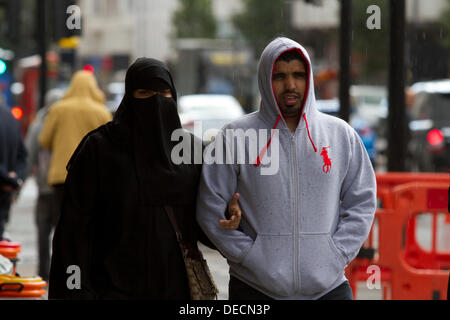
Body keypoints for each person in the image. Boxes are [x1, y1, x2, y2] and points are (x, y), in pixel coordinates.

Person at [196, 37, 377, 300]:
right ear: (265, 79)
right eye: (279, 76)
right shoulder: (234, 136)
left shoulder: (340, 135)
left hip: (328, 290)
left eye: (298, 75)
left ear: (310, 78)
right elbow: (209, 207)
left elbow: (362, 201)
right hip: (254, 289)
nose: (290, 85)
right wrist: (246, 254)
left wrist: (336, 253)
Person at [48, 57, 241, 299]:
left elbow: (203, 223)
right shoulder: (100, 149)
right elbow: (73, 232)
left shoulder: (190, 152)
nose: (156, 101)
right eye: (144, 92)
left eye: (163, 92)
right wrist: (77, 291)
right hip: (111, 288)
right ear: (129, 97)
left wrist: (228, 218)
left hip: (176, 288)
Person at [38, 70, 112, 218]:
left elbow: (44, 140)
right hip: (92, 176)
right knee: (89, 222)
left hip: (61, 175)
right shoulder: (102, 111)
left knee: (64, 221)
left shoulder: (58, 109)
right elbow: (110, 145)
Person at [24, 88, 64, 281]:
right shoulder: (66, 123)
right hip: (60, 186)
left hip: (43, 187)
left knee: (42, 230)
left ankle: (43, 272)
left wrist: (21, 181)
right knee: (61, 232)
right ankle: (59, 270)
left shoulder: (37, 125)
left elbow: (29, 154)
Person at [0, 104, 27, 241]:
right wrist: (16, 180)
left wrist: (6, 179)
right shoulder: (10, 116)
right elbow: (22, 155)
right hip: (5, 193)